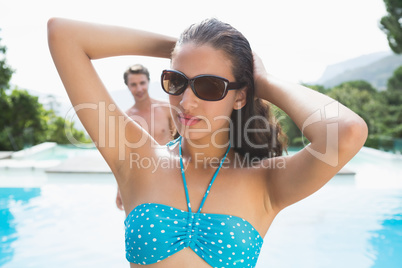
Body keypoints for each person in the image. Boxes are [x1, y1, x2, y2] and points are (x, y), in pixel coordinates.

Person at [48, 17, 368, 268]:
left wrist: (264, 81)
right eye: (177, 81)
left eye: (210, 86)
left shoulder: (266, 182)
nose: (186, 102)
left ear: (240, 95)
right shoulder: (135, 159)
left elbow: (347, 132)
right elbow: (63, 34)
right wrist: (183, 48)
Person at [115, 64, 175, 210]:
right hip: (141, 180)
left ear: (148, 82)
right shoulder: (126, 118)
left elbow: (182, 142)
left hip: (171, 176)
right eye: (133, 84)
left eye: (142, 83)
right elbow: (124, 158)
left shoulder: (167, 109)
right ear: (127, 86)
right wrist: (119, 188)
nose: (139, 88)